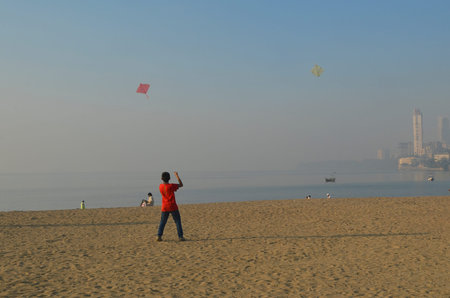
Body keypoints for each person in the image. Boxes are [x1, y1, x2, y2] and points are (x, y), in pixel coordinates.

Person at [156, 171, 185, 241]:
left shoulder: (160, 186)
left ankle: (159, 236)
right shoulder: (171, 186)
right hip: (172, 206)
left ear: (161, 178)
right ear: (169, 178)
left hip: (164, 206)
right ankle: (180, 236)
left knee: (163, 222)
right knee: (177, 221)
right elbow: (181, 184)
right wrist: (177, 176)